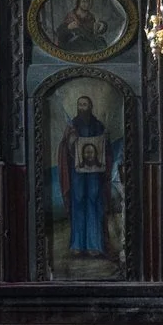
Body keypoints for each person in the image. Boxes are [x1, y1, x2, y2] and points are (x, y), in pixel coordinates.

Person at [58, 93, 111, 257]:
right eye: (80, 104)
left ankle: (94, 245)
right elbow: (64, 148)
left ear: (90, 107)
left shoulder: (98, 125)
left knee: (94, 202)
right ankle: (77, 244)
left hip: (95, 173)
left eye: (85, 104)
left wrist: (105, 140)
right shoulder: (72, 125)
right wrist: (70, 139)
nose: (82, 107)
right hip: (77, 172)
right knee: (78, 202)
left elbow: (106, 149)